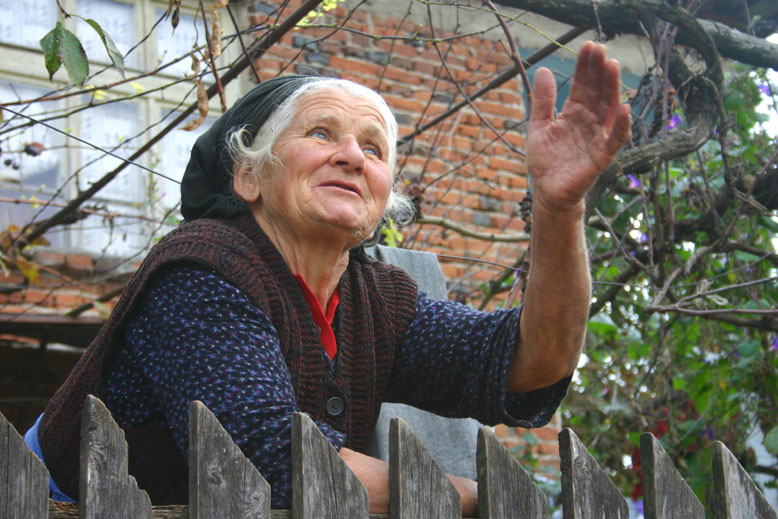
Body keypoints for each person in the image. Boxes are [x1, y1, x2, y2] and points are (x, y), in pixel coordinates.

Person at [26, 41, 631, 515]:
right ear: (248, 177)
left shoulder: (377, 299)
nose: (351, 156)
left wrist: (558, 209)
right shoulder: (202, 268)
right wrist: (472, 496)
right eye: (321, 133)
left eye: (374, 148)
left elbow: (528, 363)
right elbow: (271, 459)